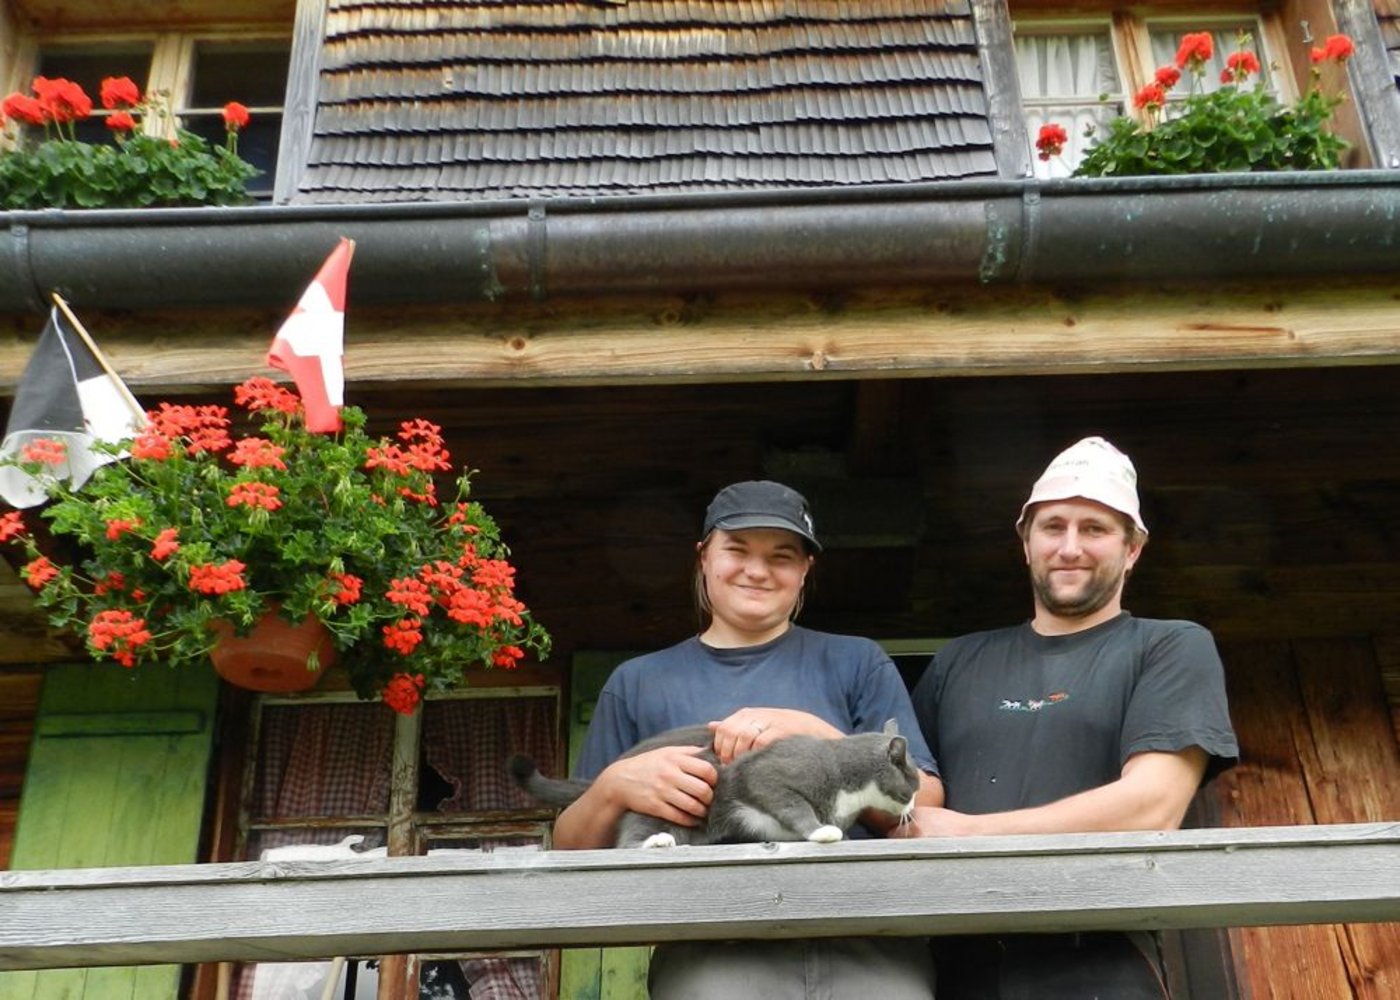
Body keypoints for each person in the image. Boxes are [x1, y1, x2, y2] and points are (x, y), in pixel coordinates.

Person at [553, 479, 944, 999]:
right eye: (737, 550)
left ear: (805, 570)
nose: (757, 571)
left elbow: (925, 809)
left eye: (782, 556)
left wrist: (818, 736)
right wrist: (614, 787)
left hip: (869, 945)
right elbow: (571, 850)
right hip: (711, 954)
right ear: (704, 558)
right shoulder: (638, 682)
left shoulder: (857, 662)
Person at [901, 435, 1239, 998]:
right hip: (955, 957)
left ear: (1132, 549)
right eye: (1053, 526)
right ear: (1026, 543)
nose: (1070, 546)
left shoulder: (1168, 646)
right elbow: (908, 799)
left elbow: (1152, 806)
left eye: (1095, 529)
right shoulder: (958, 660)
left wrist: (969, 834)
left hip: (1099, 955)